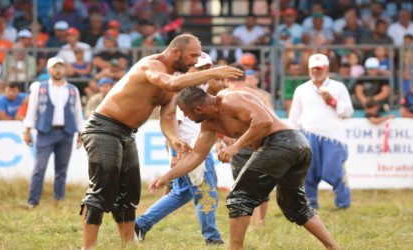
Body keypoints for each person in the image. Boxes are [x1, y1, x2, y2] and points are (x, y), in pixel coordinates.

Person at [79, 34, 243, 249]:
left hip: (127, 133)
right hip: (103, 129)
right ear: (176, 51)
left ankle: (128, 245)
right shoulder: (151, 66)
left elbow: (167, 117)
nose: (195, 61)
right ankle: (87, 247)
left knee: (129, 194)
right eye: (192, 56)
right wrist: (215, 71)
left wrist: (174, 139)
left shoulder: (175, 82)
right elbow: (171, 83)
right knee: (103, 190)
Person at [149, 86, 339, 250]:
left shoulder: (230, 98)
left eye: (186, 113)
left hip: (284, 141)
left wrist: (235, 146)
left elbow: (263, 120)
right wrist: (167, 177)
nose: (187, 117)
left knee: (238, 197)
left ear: (198, 108)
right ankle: (333, 246)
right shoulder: (210, 124)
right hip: (295, 147)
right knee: (294, 205)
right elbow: (197, 156)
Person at [134, 52, 224, 245]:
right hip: (191, 150)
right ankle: (213, 239)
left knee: (181, 193)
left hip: (193, 148)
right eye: (201, 69)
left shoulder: (198, 90)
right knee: (207, 193)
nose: (206, 73)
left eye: (208, 69)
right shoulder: (183, 95)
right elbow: (173, 126)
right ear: (189, 69)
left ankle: (141, 224)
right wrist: (175, 154)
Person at [288, 54, 354, 210]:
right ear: (309, 70)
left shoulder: (338, 87)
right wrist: (294, 135)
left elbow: (348, 112)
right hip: (308, 134)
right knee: (309, 172)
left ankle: (343, 203)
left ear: (327, 69)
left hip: (333, 136)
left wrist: (332, 102)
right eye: (313, 69)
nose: (316, 72)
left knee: (334, 170)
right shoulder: (302, 89)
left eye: (319, 69)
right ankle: (310, 204)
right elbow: (294, 115)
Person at [23, 57, 84, 208]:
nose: (58, 70)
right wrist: (27, 130)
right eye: (55, 67)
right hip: (46, 132)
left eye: (61, 67)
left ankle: (58, 199)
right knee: (39, 168)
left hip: (66, 132)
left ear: (64, 69)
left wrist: (80, 133)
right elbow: (32, 110)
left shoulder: (72, 89)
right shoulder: (40, 87)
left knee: (61, 169)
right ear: (49, 70)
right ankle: (33, 201)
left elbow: (77, 112)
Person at [220, 63, 273, 228]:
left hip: (238, 143)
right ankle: (260, 222)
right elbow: (271, 119)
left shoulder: (222, 94)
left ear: (227, 79)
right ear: (244, 77)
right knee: (262, 183)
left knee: (244, 186)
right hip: (261, 142)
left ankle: (254, 224)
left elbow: (214, 122)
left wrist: (219, 140)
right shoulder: (257, 95)